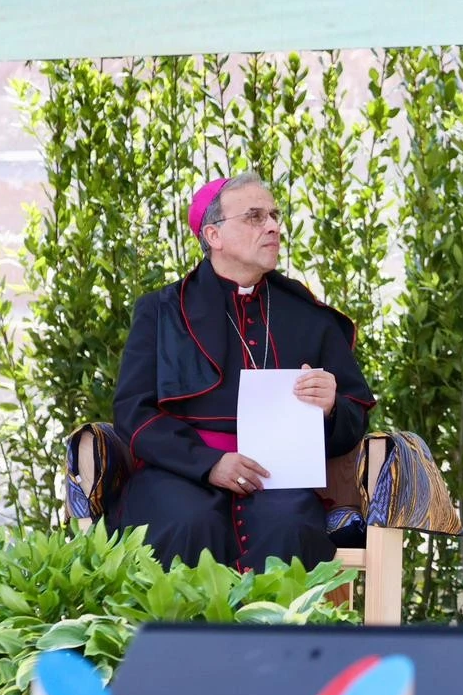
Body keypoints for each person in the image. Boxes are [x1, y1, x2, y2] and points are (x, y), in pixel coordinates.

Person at [110, 172, 375, 572]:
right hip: (180, 473)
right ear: (213, 235)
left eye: (274, 215)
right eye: (254, 217)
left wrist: (332, 408)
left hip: (279, 480)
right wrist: (208, 463)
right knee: (186, 521)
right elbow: (134, 411)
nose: (273, 226)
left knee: (290, 525)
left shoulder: (308, 316)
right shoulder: (162, 311)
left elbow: (354, 418)